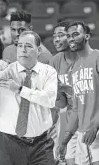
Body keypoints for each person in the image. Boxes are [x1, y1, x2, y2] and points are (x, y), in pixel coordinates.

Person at [0, 31, 58, 165]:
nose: (23, 50)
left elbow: (49, 99)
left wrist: (19, 89)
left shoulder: (49, 72)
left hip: (41, 144)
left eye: (28, 46)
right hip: (8, 144)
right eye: (20, 45)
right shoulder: (3, 72)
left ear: (39, 50)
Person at [59, 21, 99, 165]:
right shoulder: (75, 68)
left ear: (87, 36)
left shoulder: (97, 58)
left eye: (76, 34)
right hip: (83, 133)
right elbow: (76, 109)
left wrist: (95, 127)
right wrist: (65, 141)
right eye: (68, 36)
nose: (71, 39)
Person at [49, 21, 78, 164]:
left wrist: (65, 88)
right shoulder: (55, 61)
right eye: (54, 36)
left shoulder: (86, 58)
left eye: (61, 35)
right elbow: (62, 103)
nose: (56, 39)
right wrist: (54, 93)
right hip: (69, 120)